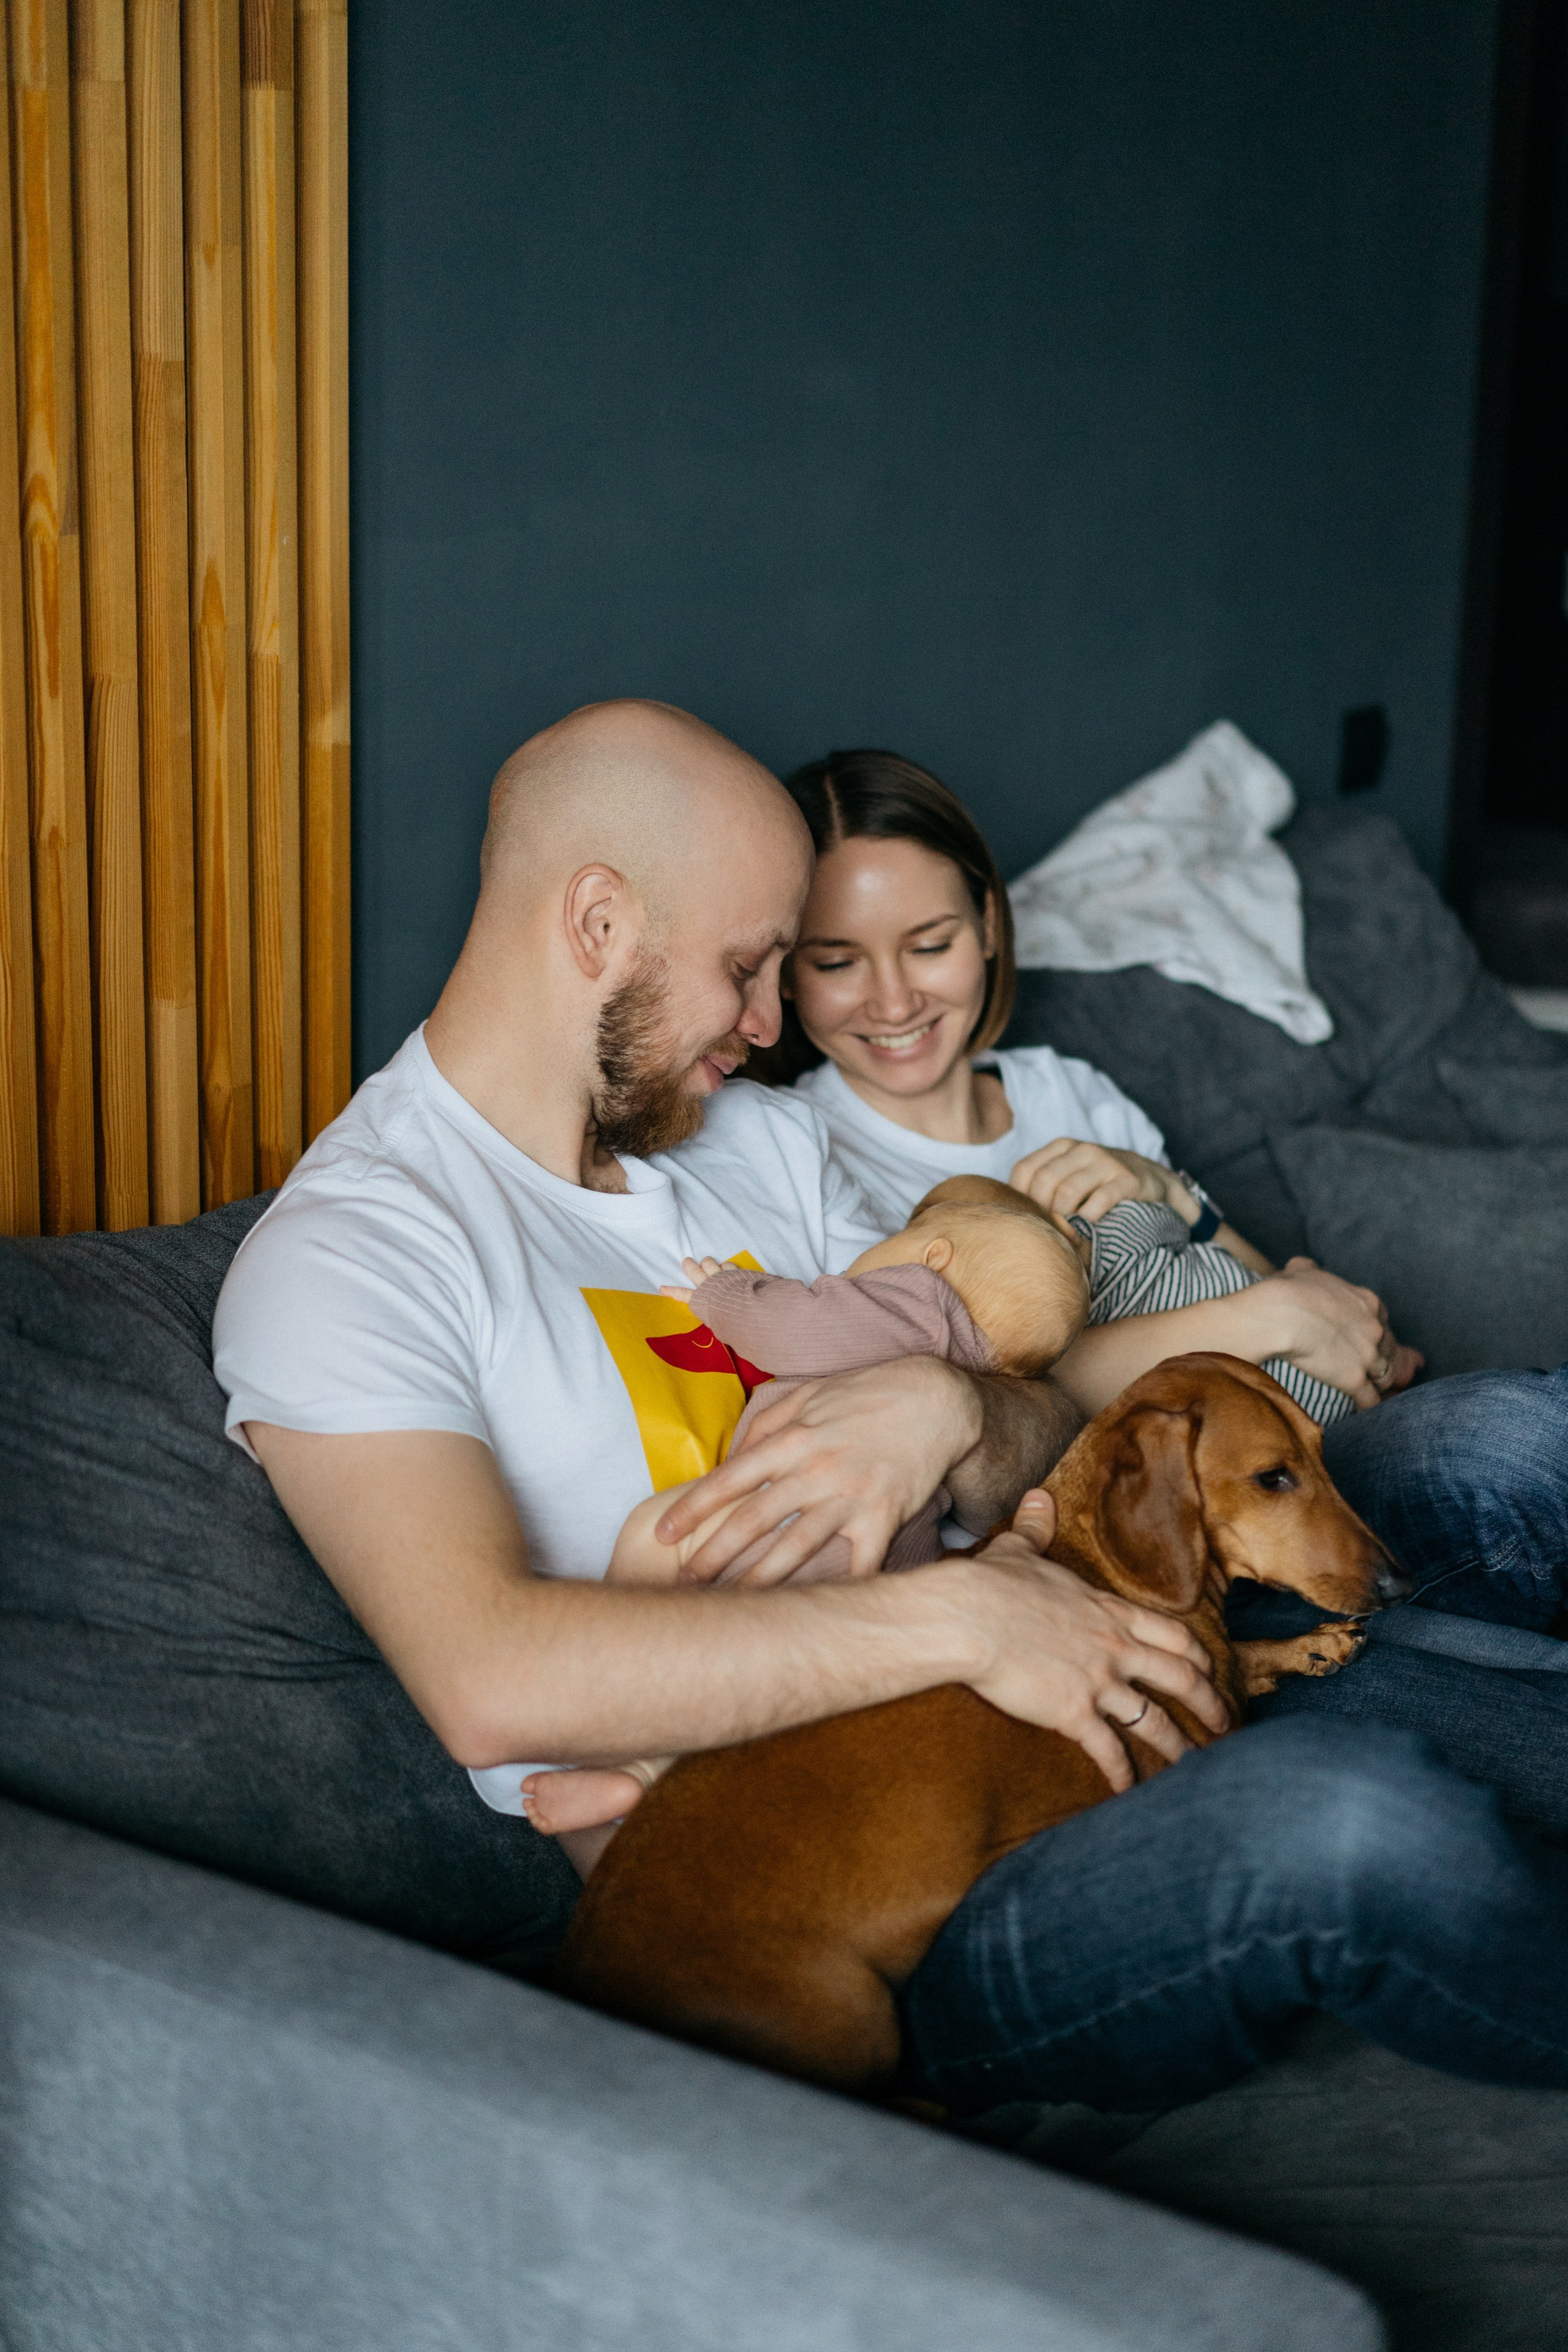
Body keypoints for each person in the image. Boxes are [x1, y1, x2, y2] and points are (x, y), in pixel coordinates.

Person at [213, 699, 1568, 2116]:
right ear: (599, 925)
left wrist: (943, 1407)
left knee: (1486, 1444)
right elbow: (489, 1680)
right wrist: (966, 1615)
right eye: (747, 967)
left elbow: (1040, 1421)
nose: (764, 1021)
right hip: (855, 1889)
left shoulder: (750, 1144)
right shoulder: (355, 1253)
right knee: (1357, 1828)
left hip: (1082, 1673)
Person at [766, 745, 1568, 1650]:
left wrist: (1177, 1200)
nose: (894, 999)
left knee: (1541, 1427)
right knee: (1515, 1443)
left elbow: (1252, 1282)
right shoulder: (798, 1149)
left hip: (1303, 1447)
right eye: (837, 961)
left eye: (931, 944)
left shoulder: (1063, 1086)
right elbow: (985, 1408)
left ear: (989, 924)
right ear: (786, 969)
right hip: (1140, 1539)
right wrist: (1265, 1320)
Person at [520, 1175, 1095, 1835]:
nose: (858, 1262)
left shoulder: (917, 1300)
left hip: (803, 1518)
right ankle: (649, 1776)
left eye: (895, 1239)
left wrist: (722, 1295)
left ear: (933, 1256)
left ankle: (621, 1742)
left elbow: (801, 1328)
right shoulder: (977, 1362)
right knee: (773, 1692)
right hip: (898, 1559)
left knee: (659, 1534)